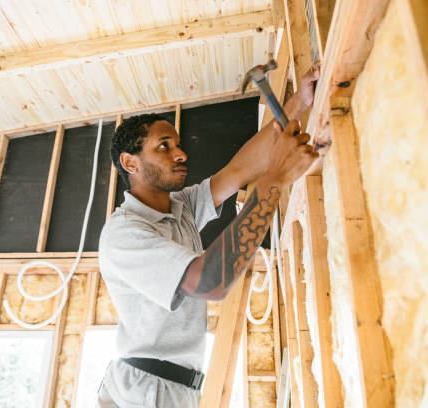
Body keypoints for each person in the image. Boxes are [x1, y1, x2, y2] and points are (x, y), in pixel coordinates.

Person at [97, 64, 320, 407]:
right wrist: (274, 179)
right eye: (164, 146)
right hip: (147, 389)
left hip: (171, 386)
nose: (181, 153)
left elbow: (239, 170)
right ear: (130, 163)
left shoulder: (179, 206)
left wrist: (297, 104)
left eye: (178, 144)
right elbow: (210, 283)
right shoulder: (125, 234)